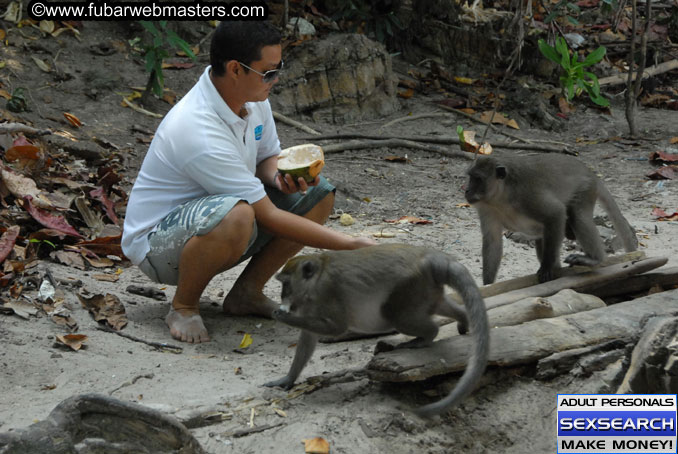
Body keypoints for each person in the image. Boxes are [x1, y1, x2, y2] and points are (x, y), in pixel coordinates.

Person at [121, 21, 375, 344]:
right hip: (157, 245)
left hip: (221, 215)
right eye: (268, 72)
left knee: (319, 194)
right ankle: (183, 305)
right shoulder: (196, 127)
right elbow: (266, 215)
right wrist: (351, 245)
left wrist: (280, 179)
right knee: (239, 215)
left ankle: (247, 293)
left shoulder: (253, 101)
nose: (276, 79)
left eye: (279, 68)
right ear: (235, 69)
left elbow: (267, 157)